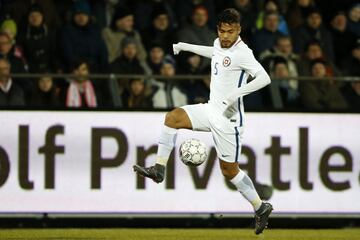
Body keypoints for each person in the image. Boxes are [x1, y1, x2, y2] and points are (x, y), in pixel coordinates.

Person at [133, 8, 272, 235]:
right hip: (210, 109)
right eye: (223, 31)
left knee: (229, 171)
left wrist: (237, 94)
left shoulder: (243, 53)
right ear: (218, 29)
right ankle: (159, 169)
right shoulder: (219, 43)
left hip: (229, 120)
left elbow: (264, 78)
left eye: (231, 31)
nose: (226, 36)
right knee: (172, 118)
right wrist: (185, 46)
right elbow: (214, 52)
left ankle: (260, 206)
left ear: (239, 30)